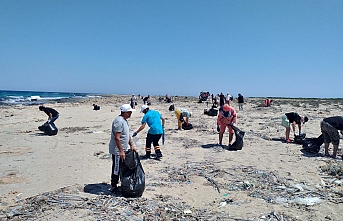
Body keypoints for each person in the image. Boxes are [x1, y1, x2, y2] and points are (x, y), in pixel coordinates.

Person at [108, 104, 136, 192]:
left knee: (122, 166)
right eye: (130, 112)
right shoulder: (119, 122)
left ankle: (122, 183)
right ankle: (113, 185)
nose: (131, 113)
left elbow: (127, 135)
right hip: (117, 150)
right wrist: (121, 151)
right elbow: (117, 137)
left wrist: (131, 145)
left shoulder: (124, 121)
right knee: (116, 167)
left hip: (123, 149)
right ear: (126, 112)